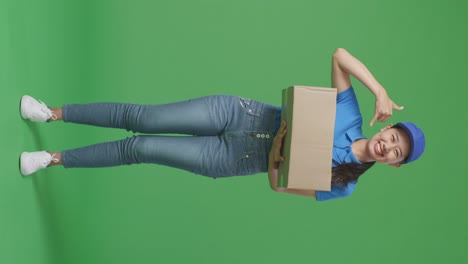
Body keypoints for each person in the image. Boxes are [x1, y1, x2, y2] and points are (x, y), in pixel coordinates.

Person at [19, 48, 426, 201]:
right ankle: (51, 113)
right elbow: (339, 55)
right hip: (239, 113)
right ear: (387, 129)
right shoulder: (353, 113)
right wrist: (379, 88)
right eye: (394, 138)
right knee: (141, 117)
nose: (389, 146)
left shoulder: (346, 183)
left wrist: (277, 151)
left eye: (396, 153)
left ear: (393, 164)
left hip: (232, 157)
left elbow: (279, 184)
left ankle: (52, 158)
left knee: (139, 148)